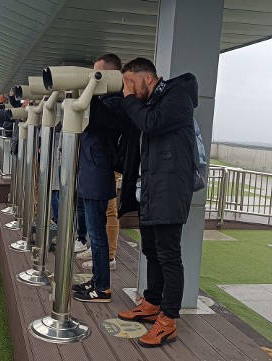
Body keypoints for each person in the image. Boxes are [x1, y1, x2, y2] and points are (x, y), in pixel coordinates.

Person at [115, 57, 197, 348]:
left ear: (147, 78)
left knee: (169, 256)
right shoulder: (149, 102)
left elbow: (151, 124)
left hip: (170, 189)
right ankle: (152, 303)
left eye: (130, 82)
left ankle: (168, 320)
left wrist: (128, 99)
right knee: (150, 249)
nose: (128, 89)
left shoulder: (178, 96)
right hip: (151, 189)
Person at [71, 53, 125, 303]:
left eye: (98, 73)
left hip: (98, 174)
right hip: (91, 173)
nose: (94, 77)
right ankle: (97, 281)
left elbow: (94, 115)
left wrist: (89, 87)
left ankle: (102, 288)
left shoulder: (115, 103)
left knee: (97, 235)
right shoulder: (107, 101)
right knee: (95, 233)